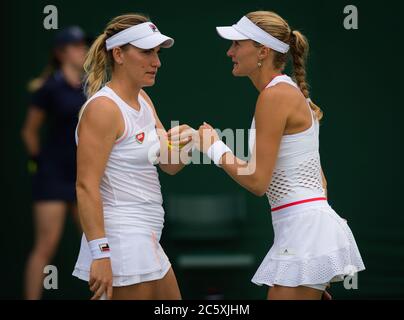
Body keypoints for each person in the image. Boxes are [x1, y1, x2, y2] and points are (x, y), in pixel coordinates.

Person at [189, 11, 365, 299]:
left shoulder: (274, 96)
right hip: (303, 232)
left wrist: (213, 147)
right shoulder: (285, 93)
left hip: (304, 232)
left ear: (263, 50)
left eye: (237, 44)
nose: (229, 51)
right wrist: (314, 264)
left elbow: (258, 181)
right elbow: (319, 181)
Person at [72, 13, 194, 300]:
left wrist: (189, 141)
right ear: (119, 54)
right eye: (146, 52)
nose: (157, 62)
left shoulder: (144, 100)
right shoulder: (103, 109)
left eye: (157, 53)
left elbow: (170, 164)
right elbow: (86, 186)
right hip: (122, 239)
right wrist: (100, 254)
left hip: (147, 236)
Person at [21, 26, 88, 300]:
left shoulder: (91, 86)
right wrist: (39, 162)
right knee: (46, 246)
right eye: (76, 46)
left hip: (85, 176)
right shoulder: (49, 88)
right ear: (61, 53)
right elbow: (29, 131)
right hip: (53, 177)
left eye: (84, 45)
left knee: (97, 245)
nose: (83, 50)